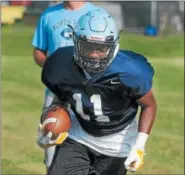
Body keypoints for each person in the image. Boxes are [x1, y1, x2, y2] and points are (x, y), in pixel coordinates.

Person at [38, 9, 157, 175]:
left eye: (101, 49)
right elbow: (62, 95)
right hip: (79, 135)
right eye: (88, 47)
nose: (94, 55)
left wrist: (139, 146)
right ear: (76, 42)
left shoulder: (130, 71)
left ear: (114, 45)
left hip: (118, 141)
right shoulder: (61, 63)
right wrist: (49, 122)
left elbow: (149, 106)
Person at [32, 1, 101, 170]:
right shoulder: (49, 15)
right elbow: (38, 51)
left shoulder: (97, 14)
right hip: (56, 91)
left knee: (91, 145)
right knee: (51, 139)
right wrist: (53, 67)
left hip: (87, 91)